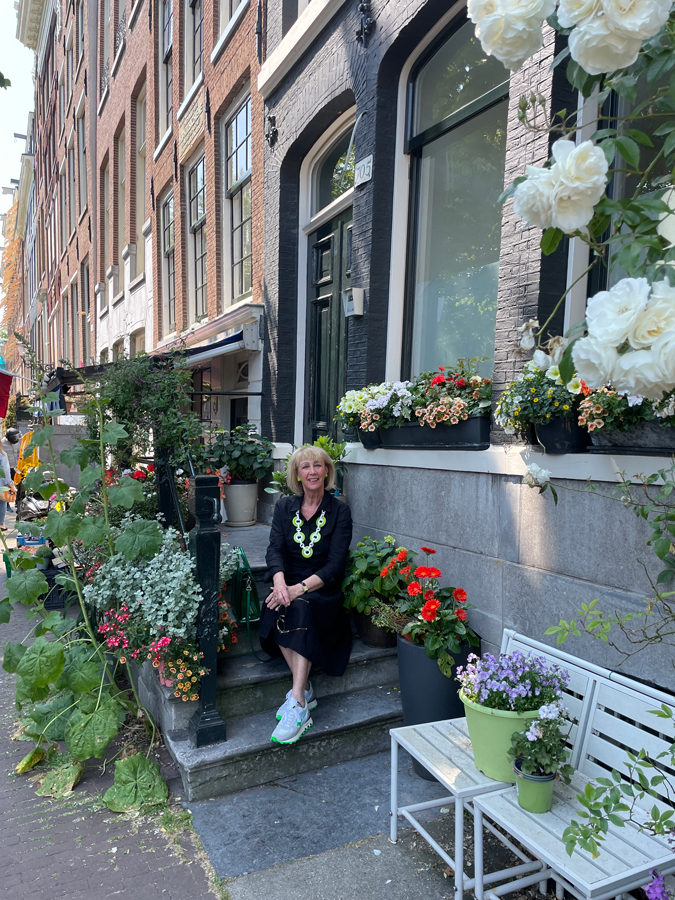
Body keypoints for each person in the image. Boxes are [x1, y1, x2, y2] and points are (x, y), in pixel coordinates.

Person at [261, 445, 353, 746]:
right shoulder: (285, 507)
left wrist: (297, 588)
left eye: (317, 466)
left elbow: (335, 564)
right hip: (287, 584)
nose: (312, 472)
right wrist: (279, 582)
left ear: (327, 471)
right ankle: (306, 689)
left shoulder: (340, 511)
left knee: (296, 607)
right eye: (305, 467)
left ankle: (298, 702)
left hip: (322, 591)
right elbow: (274, 549)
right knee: (278, 605)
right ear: (297, 475)